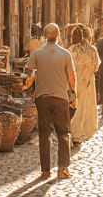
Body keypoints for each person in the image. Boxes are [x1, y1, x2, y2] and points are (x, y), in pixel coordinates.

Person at [22, 23, 77, 180]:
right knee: (63, 133)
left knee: (44, 134)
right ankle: (63, 169)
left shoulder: (37, 53)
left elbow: (30, 76)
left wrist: (24, 87)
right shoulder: (65, 54)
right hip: (60, 97)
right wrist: (75, 94)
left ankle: (45, 171)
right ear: (58, 35)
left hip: (42, 97)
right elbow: (71, 77)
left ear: (44, 36)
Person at [68, 24, 101, 143]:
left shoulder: (72, 50)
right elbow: (96, 66)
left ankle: (78, 134)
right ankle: (78, 133)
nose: (73, 37)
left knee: (82, 107)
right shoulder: (91, 49)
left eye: (75, 34)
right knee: (80, 107)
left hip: (81, 82)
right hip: (82, 82)